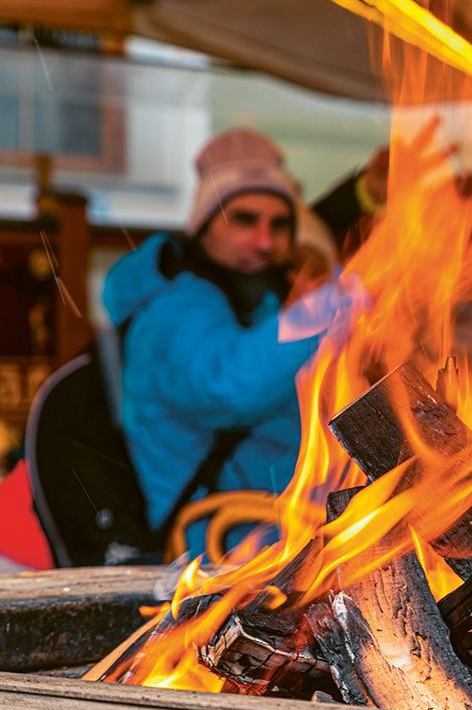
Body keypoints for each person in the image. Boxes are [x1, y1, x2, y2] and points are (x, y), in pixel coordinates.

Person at [102, 128, 362, 549]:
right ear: (204, 227)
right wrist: (339, 299)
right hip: (214, 555)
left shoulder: (257, 303)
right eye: (243, 220)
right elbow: (227, 387)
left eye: (279, 224)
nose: (264, 241)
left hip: (275, 542)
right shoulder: (172, 309)